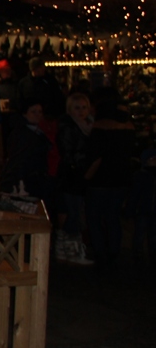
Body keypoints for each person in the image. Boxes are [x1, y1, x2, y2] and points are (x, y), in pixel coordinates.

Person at [84, 91, 136, 269]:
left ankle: (100, 251)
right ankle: (114, 250)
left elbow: (95, 155)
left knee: (94, 216)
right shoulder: (128, 127)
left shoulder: (100, 128)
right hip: (121, 178)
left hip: (100, 179)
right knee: (112, 216)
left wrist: (87, 174)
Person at [55, 93, 95, 264]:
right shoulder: (68, 126)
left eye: (84, 107)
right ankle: (71, 250)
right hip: (72, 174)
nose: (81, 112)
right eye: (77, 108)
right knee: (73, 211)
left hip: (82, 173)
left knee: (76, 211)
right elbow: (67, 151)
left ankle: (66, 248)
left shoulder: (90, 125)